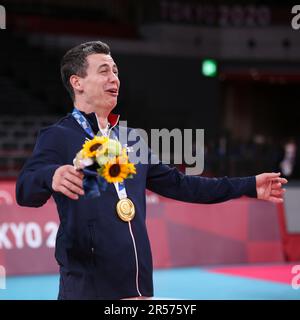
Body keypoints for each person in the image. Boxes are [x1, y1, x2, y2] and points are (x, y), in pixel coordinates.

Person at [16, 41, 287, 300]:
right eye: (104, 71)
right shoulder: (58, 136)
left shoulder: (131, 139)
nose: (114, 78)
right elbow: (25, 190)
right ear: (78, 83)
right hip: (87, 288)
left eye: (116, 71)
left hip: (138, 286)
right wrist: (50, 176)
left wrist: (248, 185)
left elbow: (182, 185)